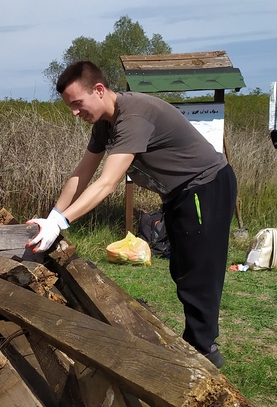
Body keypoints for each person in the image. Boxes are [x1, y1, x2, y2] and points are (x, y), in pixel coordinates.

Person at [27, 60, 237, 368]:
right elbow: (82, 173)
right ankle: (198, 342)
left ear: (98, 90)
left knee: (198, 270)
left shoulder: (133, 115)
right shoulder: (104, 124)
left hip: (204, 185)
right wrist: (52, 217)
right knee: (181, 268)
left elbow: (108, 182)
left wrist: (61, 222)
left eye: (77, 103)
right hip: (178, 192)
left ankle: (204, 352)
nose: (74, 112)